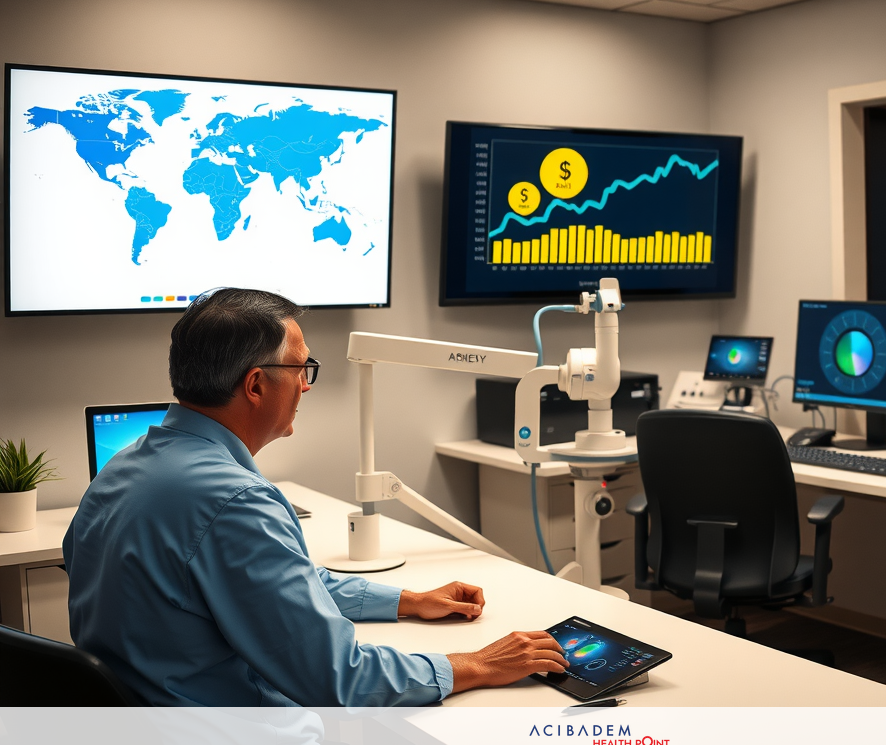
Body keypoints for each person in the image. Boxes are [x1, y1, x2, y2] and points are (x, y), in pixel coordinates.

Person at [64, 288, 569, 706]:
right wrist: (477, 663)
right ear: (257, 385)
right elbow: (335, 678)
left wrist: (407, 601)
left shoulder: (122, 469)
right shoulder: (236, 502)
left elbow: (271, 586)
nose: (306, 386)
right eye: (302, 369)